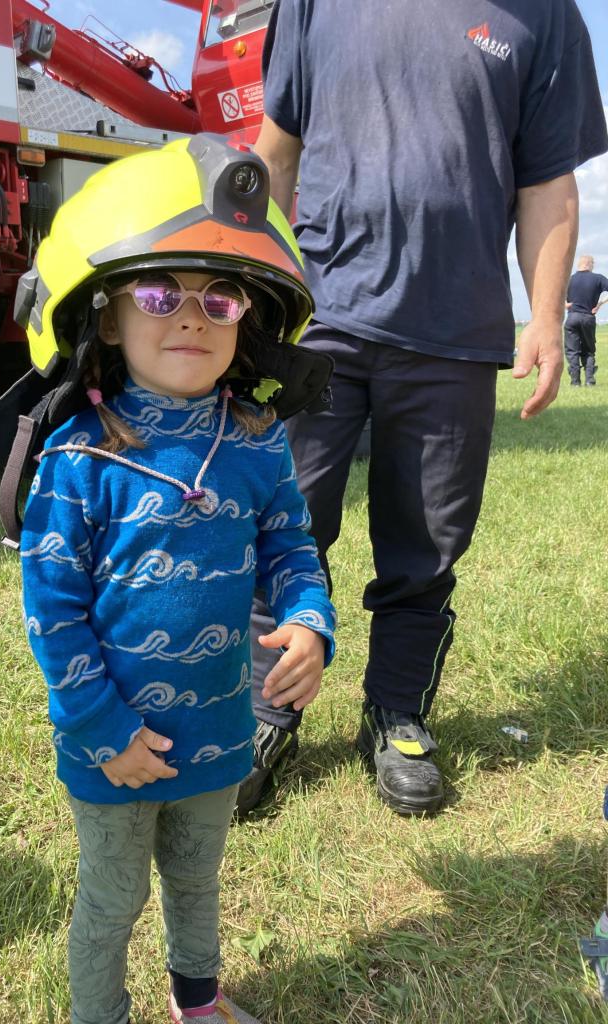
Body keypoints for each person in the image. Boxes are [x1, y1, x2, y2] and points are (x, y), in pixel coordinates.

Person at [235, 0, 608, 818]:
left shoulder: (543, 13)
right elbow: (277, 151)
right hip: (321, 320)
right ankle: (264, 715)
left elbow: (548, 183)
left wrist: (546, 319)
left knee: (427, 547)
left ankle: (396, 713)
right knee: (282, 526)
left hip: (456, 333)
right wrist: (249, 291)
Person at [17, 137, 336, 1024]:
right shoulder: (77, 459)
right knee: (113, 900)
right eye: (160, 293)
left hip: (219, 732)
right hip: (112, 743)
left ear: (248, 321)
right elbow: (53, 615)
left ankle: (197, 1002)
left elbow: (291, 545)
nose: (192, 317)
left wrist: (311, 619)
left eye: (220, 297)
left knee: (198, 881)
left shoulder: (257, 443)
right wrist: (103, 729)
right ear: (107, 318)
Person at [564, 255, 608, 385]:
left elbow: (556, 293)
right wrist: (600, 304)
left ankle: (575, 382)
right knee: (588, 350)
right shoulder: (598, 278)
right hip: (588, 317)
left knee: (572, 351)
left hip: (572, 317)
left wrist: (564, 304)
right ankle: (589, 380)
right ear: (590, 264)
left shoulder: (569, 279)